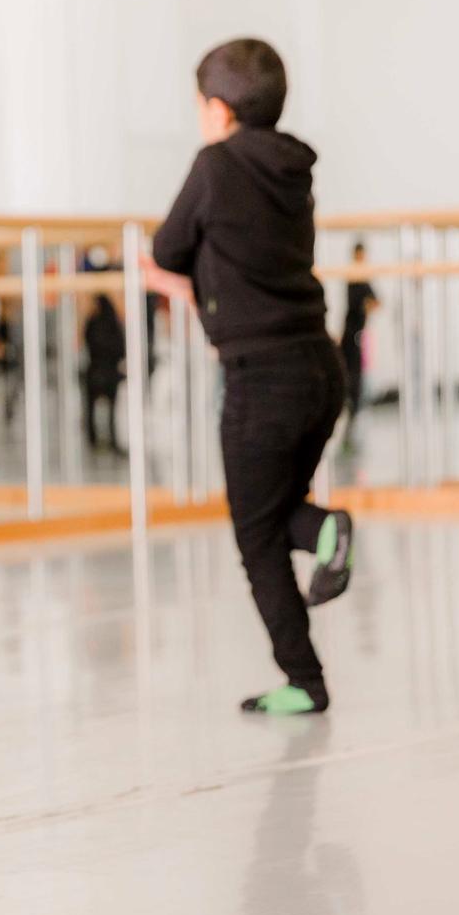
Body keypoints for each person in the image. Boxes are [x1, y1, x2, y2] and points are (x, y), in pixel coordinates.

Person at [151, 38, 355, 716]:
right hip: (320, 369)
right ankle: (322, 536)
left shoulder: (214, 164)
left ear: (217, 109)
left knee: (255, 533)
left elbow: (167, 246)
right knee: (276, 509)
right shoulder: (295, 169)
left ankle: (305, 677)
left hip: (259, 377)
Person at [82, 292, 126, 454]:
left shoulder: (92, 323)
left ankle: (93, 441)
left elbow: (86, 341)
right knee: (111, 410)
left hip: (95, 370)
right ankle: (112, 440)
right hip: (109, 372)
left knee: (91, 409)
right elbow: (121, 349)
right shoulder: (113, 324)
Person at [339, 242, 378, 421]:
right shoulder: (354, 277)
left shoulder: (363, 279)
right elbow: (360, 304)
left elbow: (376, 302)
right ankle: (351, 404)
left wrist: (367, 307)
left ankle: (354, 404)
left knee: (356, 370)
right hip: (351, 330)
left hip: (357, 331)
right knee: (351, 368)